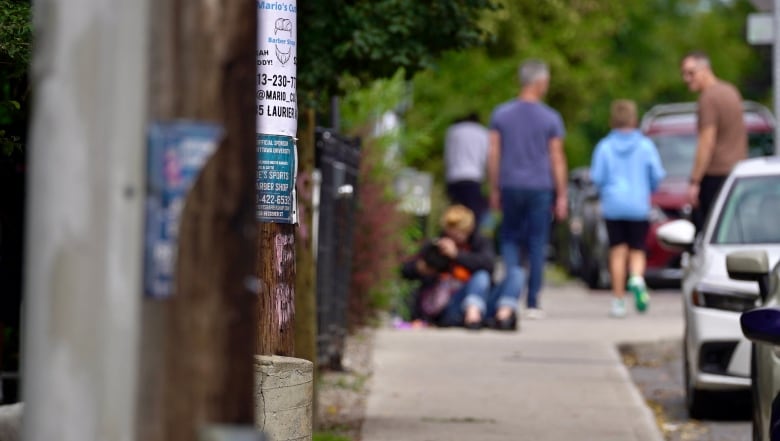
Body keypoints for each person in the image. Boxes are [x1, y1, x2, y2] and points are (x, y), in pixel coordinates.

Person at [486, 59, 568, 327]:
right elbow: (557, 157)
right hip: (539, 186)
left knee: (509, 240)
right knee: (536, 243)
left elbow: (494, 153)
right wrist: (562, 194)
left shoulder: (501, 114)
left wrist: (493, 186)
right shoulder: (550, 117)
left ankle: (510, 294)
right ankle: (532, 300)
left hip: (510, 183)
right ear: (540, 82)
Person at [589, 99, 666, 318]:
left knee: (617, 251)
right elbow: (657, 175)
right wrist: (647, 187)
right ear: (634, 119)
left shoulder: (604, 146)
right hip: (638, 204)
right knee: (637, 249)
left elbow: (597, 177)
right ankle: (637, 279)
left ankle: (618, 301)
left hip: (613, 205)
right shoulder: (645, 145)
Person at [680, 51, 747, 231]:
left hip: (716, 176)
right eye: (684, 74)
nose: (686, 78)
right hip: (737, 173)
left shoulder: (708, 98)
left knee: (709, 230)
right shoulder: (731, 91)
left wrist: (695, 181)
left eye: (691, 73)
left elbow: (706, 141)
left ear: (705, 70)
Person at [401, 204, 494, 329]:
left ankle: (474, 314)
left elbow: (489, 265)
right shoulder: (437, 245)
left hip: (469, 297)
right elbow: (405, 269)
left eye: (459, 232)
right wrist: (421, 268)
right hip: (446, 306)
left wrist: (456, 255)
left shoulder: (479, 243)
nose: (455, 236)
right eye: (451, 231)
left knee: (486, 276)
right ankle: (472, 317)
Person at [444, 112, 490, 225]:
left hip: (454, 176)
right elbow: (486, 157)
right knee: (472, 216)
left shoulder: (453, 131)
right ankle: (471, 240)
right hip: (473, 177)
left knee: (454, 216)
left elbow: (448, 156)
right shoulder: (482, 132)